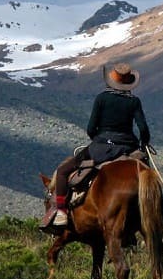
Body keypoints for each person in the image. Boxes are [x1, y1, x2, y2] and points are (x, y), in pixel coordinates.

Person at [44, 63, 151, 230]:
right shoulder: (134, 101)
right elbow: (143, 128)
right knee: (147, 175)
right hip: (127, 148)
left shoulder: (102, 98)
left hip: (100, 147)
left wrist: (99, 139)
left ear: (111, 81)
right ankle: (146, 215)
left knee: (64, 171)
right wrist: (144, 143)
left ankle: (62, 212)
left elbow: (90, 128)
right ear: (129, 84)